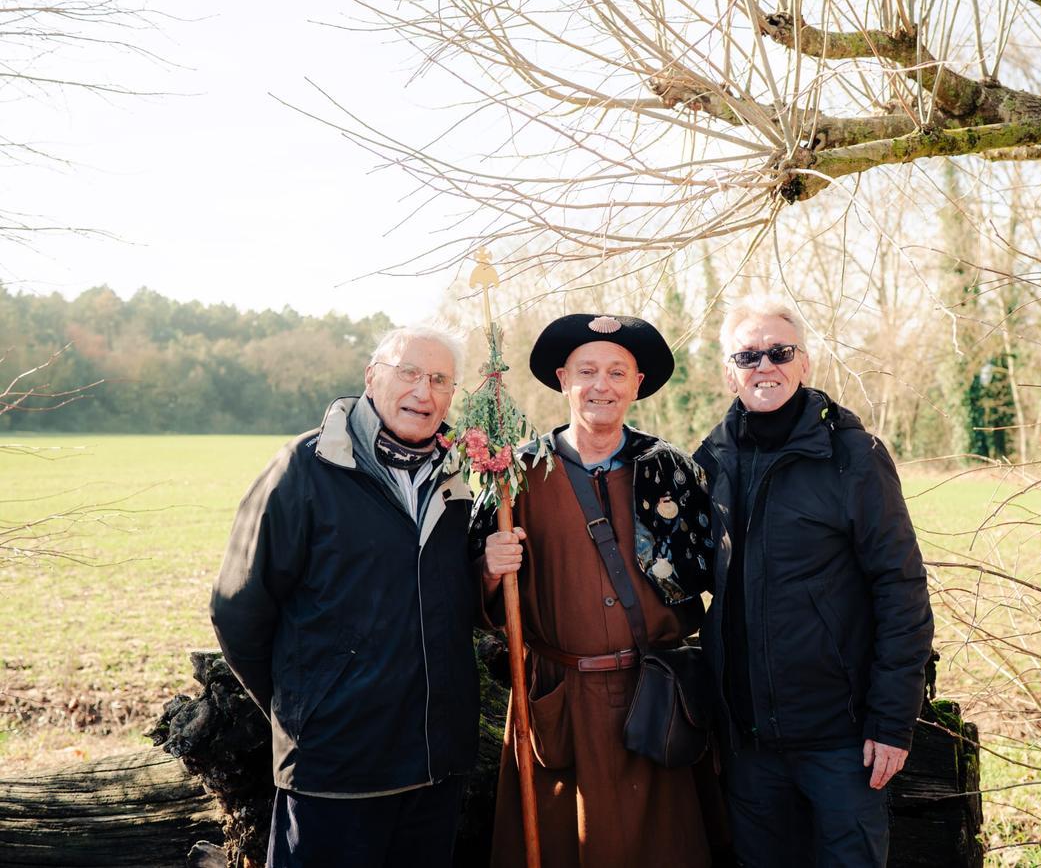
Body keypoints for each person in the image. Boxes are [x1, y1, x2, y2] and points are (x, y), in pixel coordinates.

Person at [210, 324, 479, 868]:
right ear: (371, 378)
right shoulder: (305, 469)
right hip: (335, 769)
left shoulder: (463, 477)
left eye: (439, 380)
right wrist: (304, 709)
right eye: (407, 373)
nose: (422, 393)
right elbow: (238, 609)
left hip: (436, 764)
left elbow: (456, 602)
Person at [694, 295, 934, 867]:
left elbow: (901, 589)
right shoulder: (711, 461)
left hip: (843, 743)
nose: (765, 367)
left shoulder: (854, 457)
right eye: (748, 356)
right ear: (730, 373)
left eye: (780, 352)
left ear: (805, 364)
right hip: (749, 745)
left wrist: (892, 722)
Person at [480, 313, 719, 868]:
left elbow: (709, 574)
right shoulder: (515, 474)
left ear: (637, 384)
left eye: (617, 372)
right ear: (563, 379)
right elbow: (483, 596)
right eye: (587, 371)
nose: (601, 385)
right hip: (561, 703)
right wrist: (490, 569)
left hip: (655, 697)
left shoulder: (674, 470)